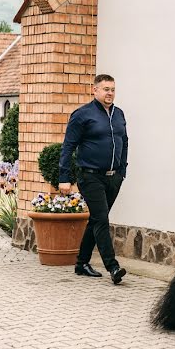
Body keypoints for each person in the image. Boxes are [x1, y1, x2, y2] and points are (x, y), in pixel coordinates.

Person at [58, 74, 128, 285]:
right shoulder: (82, 115)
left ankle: (81, 263)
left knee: (96, 219)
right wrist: (64, 177)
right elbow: (68, 146)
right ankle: (113, 267)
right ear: (95, 90)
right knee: (102, 219)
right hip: (90, 176)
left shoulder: (119, 114)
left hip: (113, 177)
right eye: (105, 89)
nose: (110, 93)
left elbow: (124, 141)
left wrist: (122, 170)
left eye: (112, 89)